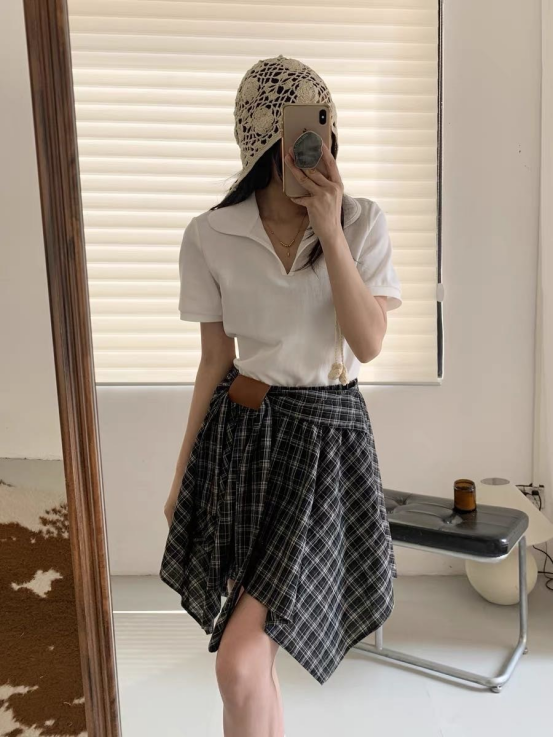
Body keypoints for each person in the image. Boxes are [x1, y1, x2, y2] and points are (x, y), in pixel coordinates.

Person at [160, 55, 402, 738]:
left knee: (238, 660)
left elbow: (368, 343)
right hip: (241, 439)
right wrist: (182, 477)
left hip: (325, 449)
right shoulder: (211, 234)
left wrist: (330, 228)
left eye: (322, 128)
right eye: (296, 132)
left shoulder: (361, 221)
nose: (313, 144)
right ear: (259, 140)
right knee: (249, 663)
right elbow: (214, 362)